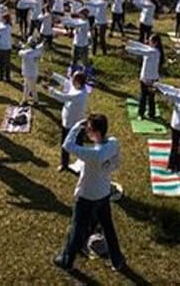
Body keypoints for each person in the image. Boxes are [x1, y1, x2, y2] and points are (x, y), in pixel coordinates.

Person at [52, 114, 126, 273]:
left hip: (87, 196)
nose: (87, 132)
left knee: (77, 228)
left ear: (97, 132)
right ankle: (117, 260)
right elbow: (117, 162)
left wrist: (77, 125)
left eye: (89, 129)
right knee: (108, 227)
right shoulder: (113, 143)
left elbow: (67, 144)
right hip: (104, 192)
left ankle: (66, 260)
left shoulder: (93, 154)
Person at [48, 71, 90, 172]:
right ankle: (64, 164)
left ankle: (82, 164)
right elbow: (65, 82)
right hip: (67, 122)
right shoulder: (76, 86)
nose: (71, 80)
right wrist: (53, 75)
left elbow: (63, 97)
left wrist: (50, 90)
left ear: (79, 82)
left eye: (74, 79)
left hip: (75, 123)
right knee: (65, 144)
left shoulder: (80, 94)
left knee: (78, 145)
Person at [125, 36, 163, 119]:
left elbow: (140, 51)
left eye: (150, 41)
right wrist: (131, 42)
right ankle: (141, 114)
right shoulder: (150, 49)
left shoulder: (154, 51)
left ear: (155, 43)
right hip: (145, 77)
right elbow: (142, 46)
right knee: (143, 96)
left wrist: (129, 49)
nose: (148, 42)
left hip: (152, 78)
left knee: (150, 98)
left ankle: (151, 114)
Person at [18, 38, 45, 105]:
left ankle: (36, 101)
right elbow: (39, 47)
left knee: (32, 88)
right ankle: (25, 100)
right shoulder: (38, 51)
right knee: (27, 87)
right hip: (34, 72)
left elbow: (20, 52)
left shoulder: (26, 53)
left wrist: (22, 46)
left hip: (28, 73)